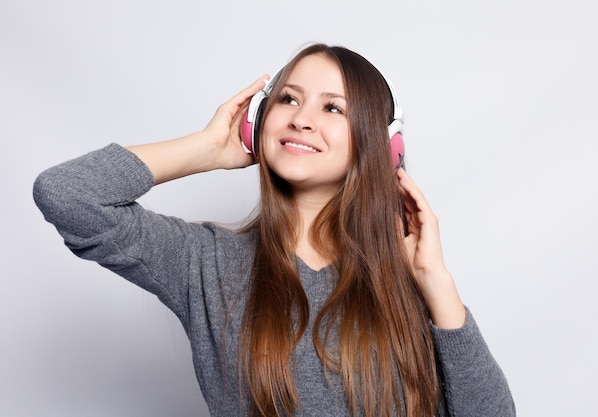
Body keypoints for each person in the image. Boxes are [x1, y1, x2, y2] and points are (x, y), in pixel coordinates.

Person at [33, 43, 515, 417]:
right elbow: (68, 194)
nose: (301, 119)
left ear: (383, 146)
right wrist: (205, 150)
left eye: (332, 108)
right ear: (259, 122)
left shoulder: (407, 279)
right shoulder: (207, 262)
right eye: (287, 99)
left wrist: (436, 282)